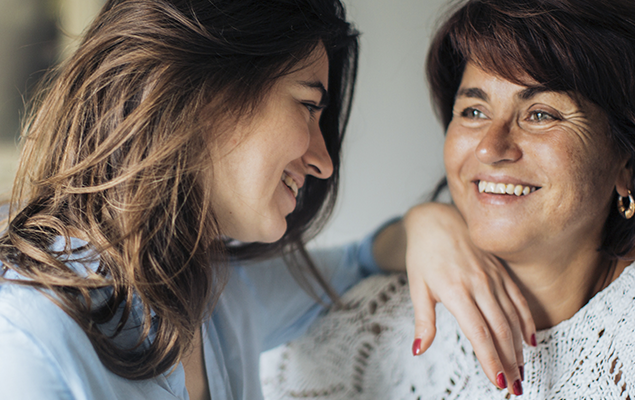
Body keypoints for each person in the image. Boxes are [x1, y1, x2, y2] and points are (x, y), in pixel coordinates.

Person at [0, 0, 532, 399]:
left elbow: (357, 262)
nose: (323, 159)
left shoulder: (209, 293)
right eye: (307, 104)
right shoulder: (17, 343)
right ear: (205, 94)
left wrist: (429, 222)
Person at [261, 0, 635, 398]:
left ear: (625, 164)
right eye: (473, 111)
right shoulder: (364, 333)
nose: (491, 148)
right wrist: (422, 220)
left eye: (540, 114)